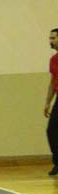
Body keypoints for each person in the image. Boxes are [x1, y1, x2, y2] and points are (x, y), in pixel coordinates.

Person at [45, 28, 58, 176]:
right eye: (50, 38)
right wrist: (48, 102)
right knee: (52, 131)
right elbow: (53, 81)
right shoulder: (53, 60)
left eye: (53, 38)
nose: (51, 41)